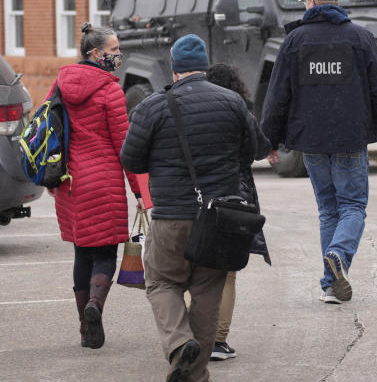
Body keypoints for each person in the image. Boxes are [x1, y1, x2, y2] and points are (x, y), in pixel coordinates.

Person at [121, 34, 259, 382]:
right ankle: (196, 374)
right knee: (207, 291)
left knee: (162, 282)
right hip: (218, 220)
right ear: (205, 65)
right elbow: (252, 151)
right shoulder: (232, 102)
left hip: (171, 216)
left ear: (174, 68)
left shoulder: (152, 106)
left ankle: (180, 344)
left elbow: (131, 158)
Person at [260, 0, 377, 305]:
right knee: (352, 206)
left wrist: (269, 139)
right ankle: (338, 256)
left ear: (312, 4)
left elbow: (277, 95)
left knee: (328, 210)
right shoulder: (361, 38)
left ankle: (329, 284)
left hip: (312, 140)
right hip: (350, 137)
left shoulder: (295, 40)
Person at [47, 23, 145, 349]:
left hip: (70, 184)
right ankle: (95, 306)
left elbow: (49, 129)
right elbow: (124, 146)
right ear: (96, 53)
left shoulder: (59, 84)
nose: (118, 55)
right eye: (114, 50)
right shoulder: (109, 90)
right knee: (105, 254)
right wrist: (139, 191)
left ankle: (84, 327)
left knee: (81, 253)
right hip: (103, 184)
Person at [203, 63, 272, 362]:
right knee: (227, 273)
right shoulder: (239, 109)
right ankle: (218, 341)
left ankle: (196, 337)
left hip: (198, 195)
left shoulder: (194, 109)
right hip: (234, 195)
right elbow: (260, 148)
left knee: (197, 269)